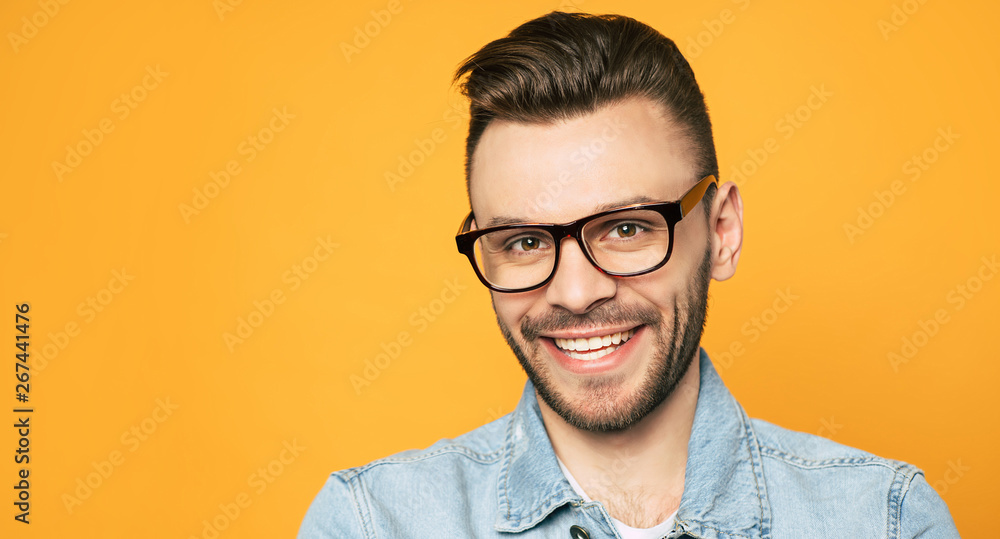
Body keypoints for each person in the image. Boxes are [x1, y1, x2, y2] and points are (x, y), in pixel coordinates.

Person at [299, 11, 959, 538]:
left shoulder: (886, 519)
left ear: (721, 231)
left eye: (626, 228)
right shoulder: (371, 523)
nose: (578, 292)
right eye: (524, 240)